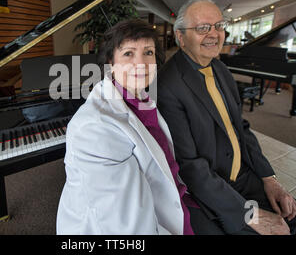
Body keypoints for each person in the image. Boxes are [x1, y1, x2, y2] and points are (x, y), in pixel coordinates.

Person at [157, 0, 296, 235]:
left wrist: (269, 178)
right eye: (202, 28)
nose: (215, 34)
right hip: (213, 188)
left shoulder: (220, 69)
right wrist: (249, 214)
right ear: (180, 37)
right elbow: (190, 167)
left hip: (243, 174)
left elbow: (241, 128)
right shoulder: (168, 86)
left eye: (219, 25)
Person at [57, 19, 197, 234]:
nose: (141, 63)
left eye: (148, 52)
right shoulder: (94, 127)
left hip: (173, 202)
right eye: (128, 53)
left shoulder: (141, 98)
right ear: (111, 63)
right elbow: (128, 226)